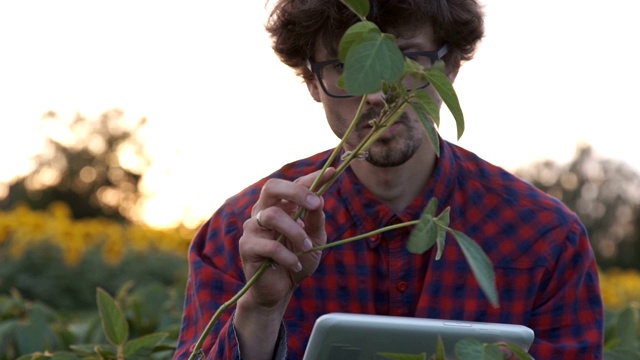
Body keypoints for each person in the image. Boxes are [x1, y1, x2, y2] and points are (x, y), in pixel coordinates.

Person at [174, 0, 604, 359]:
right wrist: (261, 311)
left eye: (406, 59)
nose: (377, 94)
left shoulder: (546, 238)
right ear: (311, 80)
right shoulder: (246, 231)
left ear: (449, 65)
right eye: (347, 65)